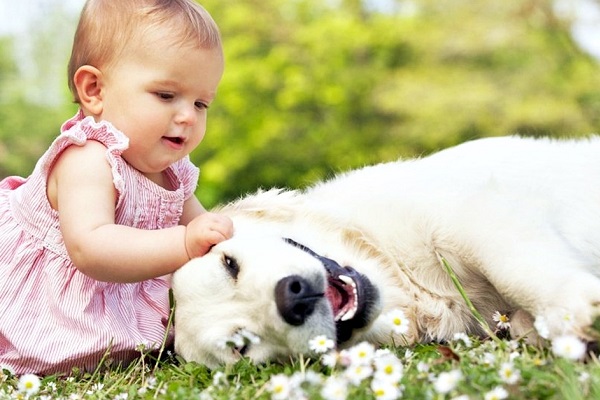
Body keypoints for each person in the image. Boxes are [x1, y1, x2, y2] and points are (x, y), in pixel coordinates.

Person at [0, 0, 233, 375]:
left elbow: (207, 235)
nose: (188, 116)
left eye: (202, 102)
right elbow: (91, 247)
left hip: (108, 300)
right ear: (94, 90)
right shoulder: (87, 158)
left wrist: (224, 242)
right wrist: (184, 242)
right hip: (49, 297)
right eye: (166, 95)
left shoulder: (173, 171)